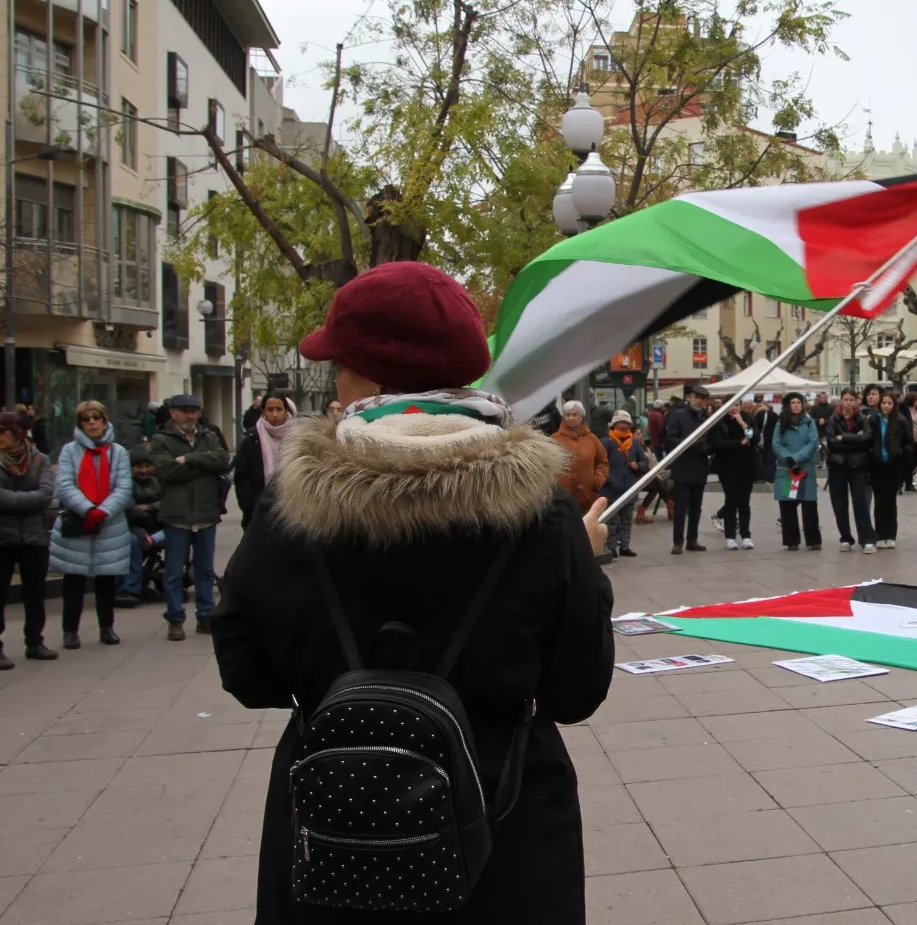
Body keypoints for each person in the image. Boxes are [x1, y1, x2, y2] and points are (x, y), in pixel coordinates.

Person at [209, 260, 614, 925]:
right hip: (506, 831)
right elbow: (578, 691)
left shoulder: (292, 504)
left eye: (339, 363)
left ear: (371, 374)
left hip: (338, 830)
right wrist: (585, 572)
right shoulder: (543, 512)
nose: (334, 381)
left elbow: (248, 673)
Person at [50, 400, 133, 650]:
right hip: (79, 522)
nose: (92, 422)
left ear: (105, 420)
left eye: (96, 417)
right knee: (73, 580)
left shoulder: (118, 452)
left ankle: (106, 627)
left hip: (110, 523)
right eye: (86, 419)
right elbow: (64, 485)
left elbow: (124, 487)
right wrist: (86, 509)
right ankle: (70, 631)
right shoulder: (69, 451)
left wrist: (103, 511)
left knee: (106, 581)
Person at [149, 393, 231, 641]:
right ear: (173, 413)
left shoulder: (209, 435)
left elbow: (223, 460)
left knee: (205, 569)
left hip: (206, 512)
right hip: (177, 514)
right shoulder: (161, 439)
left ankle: (205, 614)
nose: (190, 416)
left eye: (194, 411)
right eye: (185, 411)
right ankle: (175, 618)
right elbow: (167, 471)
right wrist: (203, 468)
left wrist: (189, 459)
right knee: (174, 570)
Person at [0, 411, 56, 665]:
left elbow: (46, 494)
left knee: (35, 592)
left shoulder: (39, 459)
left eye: (3, 431)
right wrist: (28, 501)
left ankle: (35, 641)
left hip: (34, 537)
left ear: (18, 433)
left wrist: (14, 501)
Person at [233, 393, 296, 530]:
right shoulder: (252, 439)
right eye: (270, 409)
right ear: (263, 412)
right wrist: (250, 506)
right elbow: (242, 476)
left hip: (293, 513)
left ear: (286, 411)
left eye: (279, 409)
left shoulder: (298, 436)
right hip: (259, 512)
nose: (274, 414)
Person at [823, 390, 875, 553]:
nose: (848, 403)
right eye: (845, 399)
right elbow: (831, 443)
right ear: (840, 402)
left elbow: (866, 440)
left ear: (856, 402)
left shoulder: (862, 418)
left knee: (860, 503)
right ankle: (845, 537)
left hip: (857, 465)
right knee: (839, 504)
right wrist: (854, 438)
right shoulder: (833, 419)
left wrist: (843, 437)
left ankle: (867, 539)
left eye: (851, 399)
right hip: (837, 466)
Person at [710, 398, 761, 550]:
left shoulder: (748, 419)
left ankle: (746, 535)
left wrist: (742, 423)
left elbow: (755, 437)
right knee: (731, 501)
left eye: (737, 405)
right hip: (727, 466)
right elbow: (718, 443)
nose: (734, 409)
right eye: (731, 405)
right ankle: (730, 536)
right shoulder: (719, 421)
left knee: (744, 502)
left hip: (747, 466)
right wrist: (740, 443)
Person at [773, 391, 822, 551]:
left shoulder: (809, 422)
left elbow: (813, 442)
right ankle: (791, 540)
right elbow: (776, 444)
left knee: (809, 505)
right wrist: (788, 458)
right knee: (788, 505)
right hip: (789, 469)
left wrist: (798, 457)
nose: (796, 405)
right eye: (793, 403)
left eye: (798, 403)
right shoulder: (781, 423)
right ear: (788, 405)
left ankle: (813, 540)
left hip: (805, 468)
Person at [667, 385, 712, 554]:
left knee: (696, 507)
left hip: (700, 466)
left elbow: (712, 441)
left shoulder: (707, 418)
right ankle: (677, 541)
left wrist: (706, 448)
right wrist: (689, 444)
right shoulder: (679, 416)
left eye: (702, 398)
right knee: (680, 506)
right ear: (690, 397)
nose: (699, 401)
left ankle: (692, 539)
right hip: (683, 466)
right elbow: (670, 439)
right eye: (696, 397)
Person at [599, 410, 648, 558]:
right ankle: (611, 546)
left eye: (627, 423)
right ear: (615, 424)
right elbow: (601, 463)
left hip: (629, 486)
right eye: (622, 422)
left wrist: (638, 465)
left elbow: (644, 461)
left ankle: (625, 546)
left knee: (627, 519)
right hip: (611, 488)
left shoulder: (634, 443)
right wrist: (607, 479)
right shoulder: (606, 442)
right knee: (612, 521)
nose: (625, 425)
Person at [120, 446, 163, 606]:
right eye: (139, 467)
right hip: (131, 525)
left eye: (147, 466)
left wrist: (150, 507)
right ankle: (131, 588)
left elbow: (167, 503)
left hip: (157, 524)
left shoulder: (157, 481)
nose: (144, 470)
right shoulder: (126, 484)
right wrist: (152, 512)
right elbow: (129, 510)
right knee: (138, 541)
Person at [551, 402, 608, 511]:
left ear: (581, 417)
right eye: (567, 415)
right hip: (561, 499)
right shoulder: (554, 439)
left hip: (586, 497)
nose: (571, 418)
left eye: (574, 414)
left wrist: (596, 481)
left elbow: (602, 462)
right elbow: (547, 465)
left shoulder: (592, 439)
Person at [869, 390, 905, 549]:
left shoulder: (900, 421)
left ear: (894, 405)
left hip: (893, 465)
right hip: (877, 464)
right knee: (879, 501)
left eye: (890, 403)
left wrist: (900, 454)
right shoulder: (872, 420)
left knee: (890, 501)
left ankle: (890, 534)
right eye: (884, 403)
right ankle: (880, 534)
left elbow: (909, 443)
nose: (886, 406)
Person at [898, 392, 917, 493]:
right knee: (905, 463)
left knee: (915, 460)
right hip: (909, 438)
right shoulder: (905, 410)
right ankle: (900, 484)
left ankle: (909, 483)